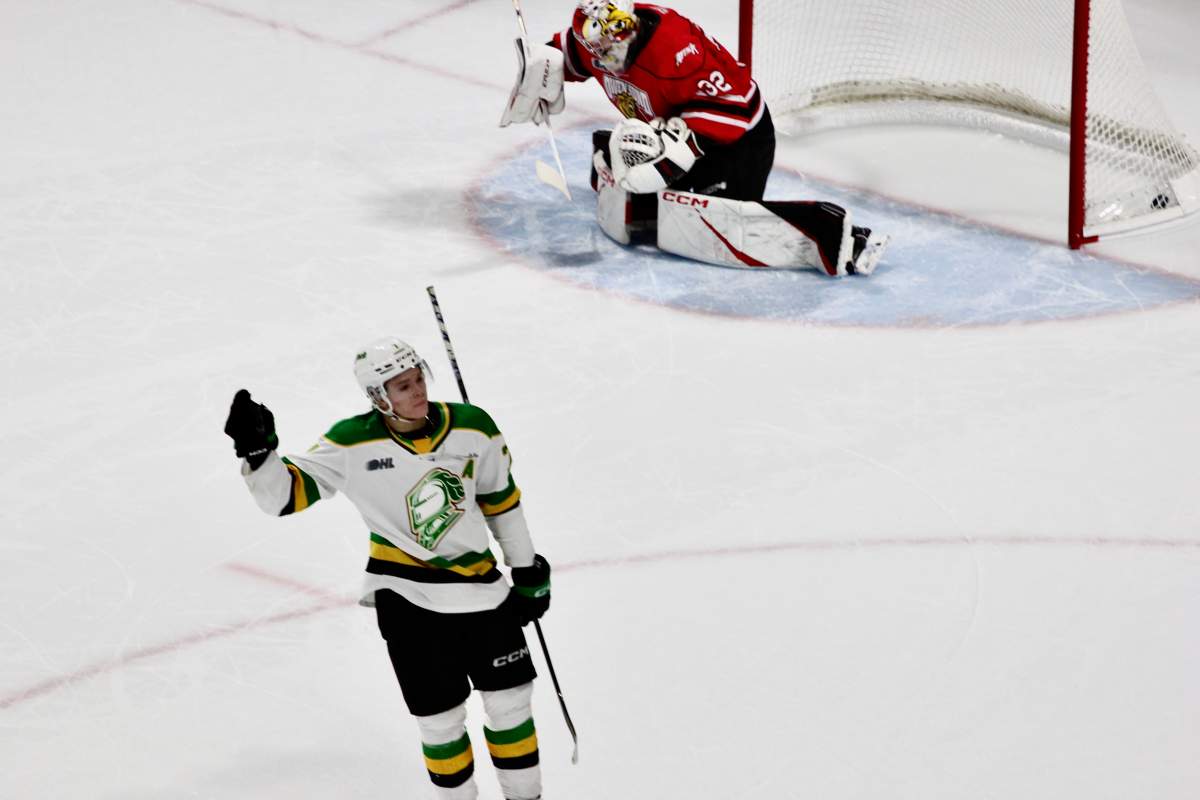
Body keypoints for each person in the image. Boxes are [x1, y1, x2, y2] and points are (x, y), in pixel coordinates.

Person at [223, 337, 550, 800]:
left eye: (418, 379)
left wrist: (527, 569)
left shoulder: (475, 428)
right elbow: (284, 497)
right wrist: (257, 453)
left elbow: (502, 503)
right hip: (408, 601)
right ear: (379, 396)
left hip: (484, 593)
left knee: (513, 705)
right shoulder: (352, 441)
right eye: (402, 386)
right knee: (439, 723)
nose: (417, 391)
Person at [501, 0, 887, 276]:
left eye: (625, 40)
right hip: (676, 129)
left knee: (703, 218)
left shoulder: (674, 49)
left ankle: (835, 236)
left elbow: (735, 111)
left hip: (738, 142)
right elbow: (568, 53)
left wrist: (671, 159)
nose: (621, 50)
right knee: (634, 195)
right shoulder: (597, 41)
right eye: (609, 48)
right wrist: (544, 66)